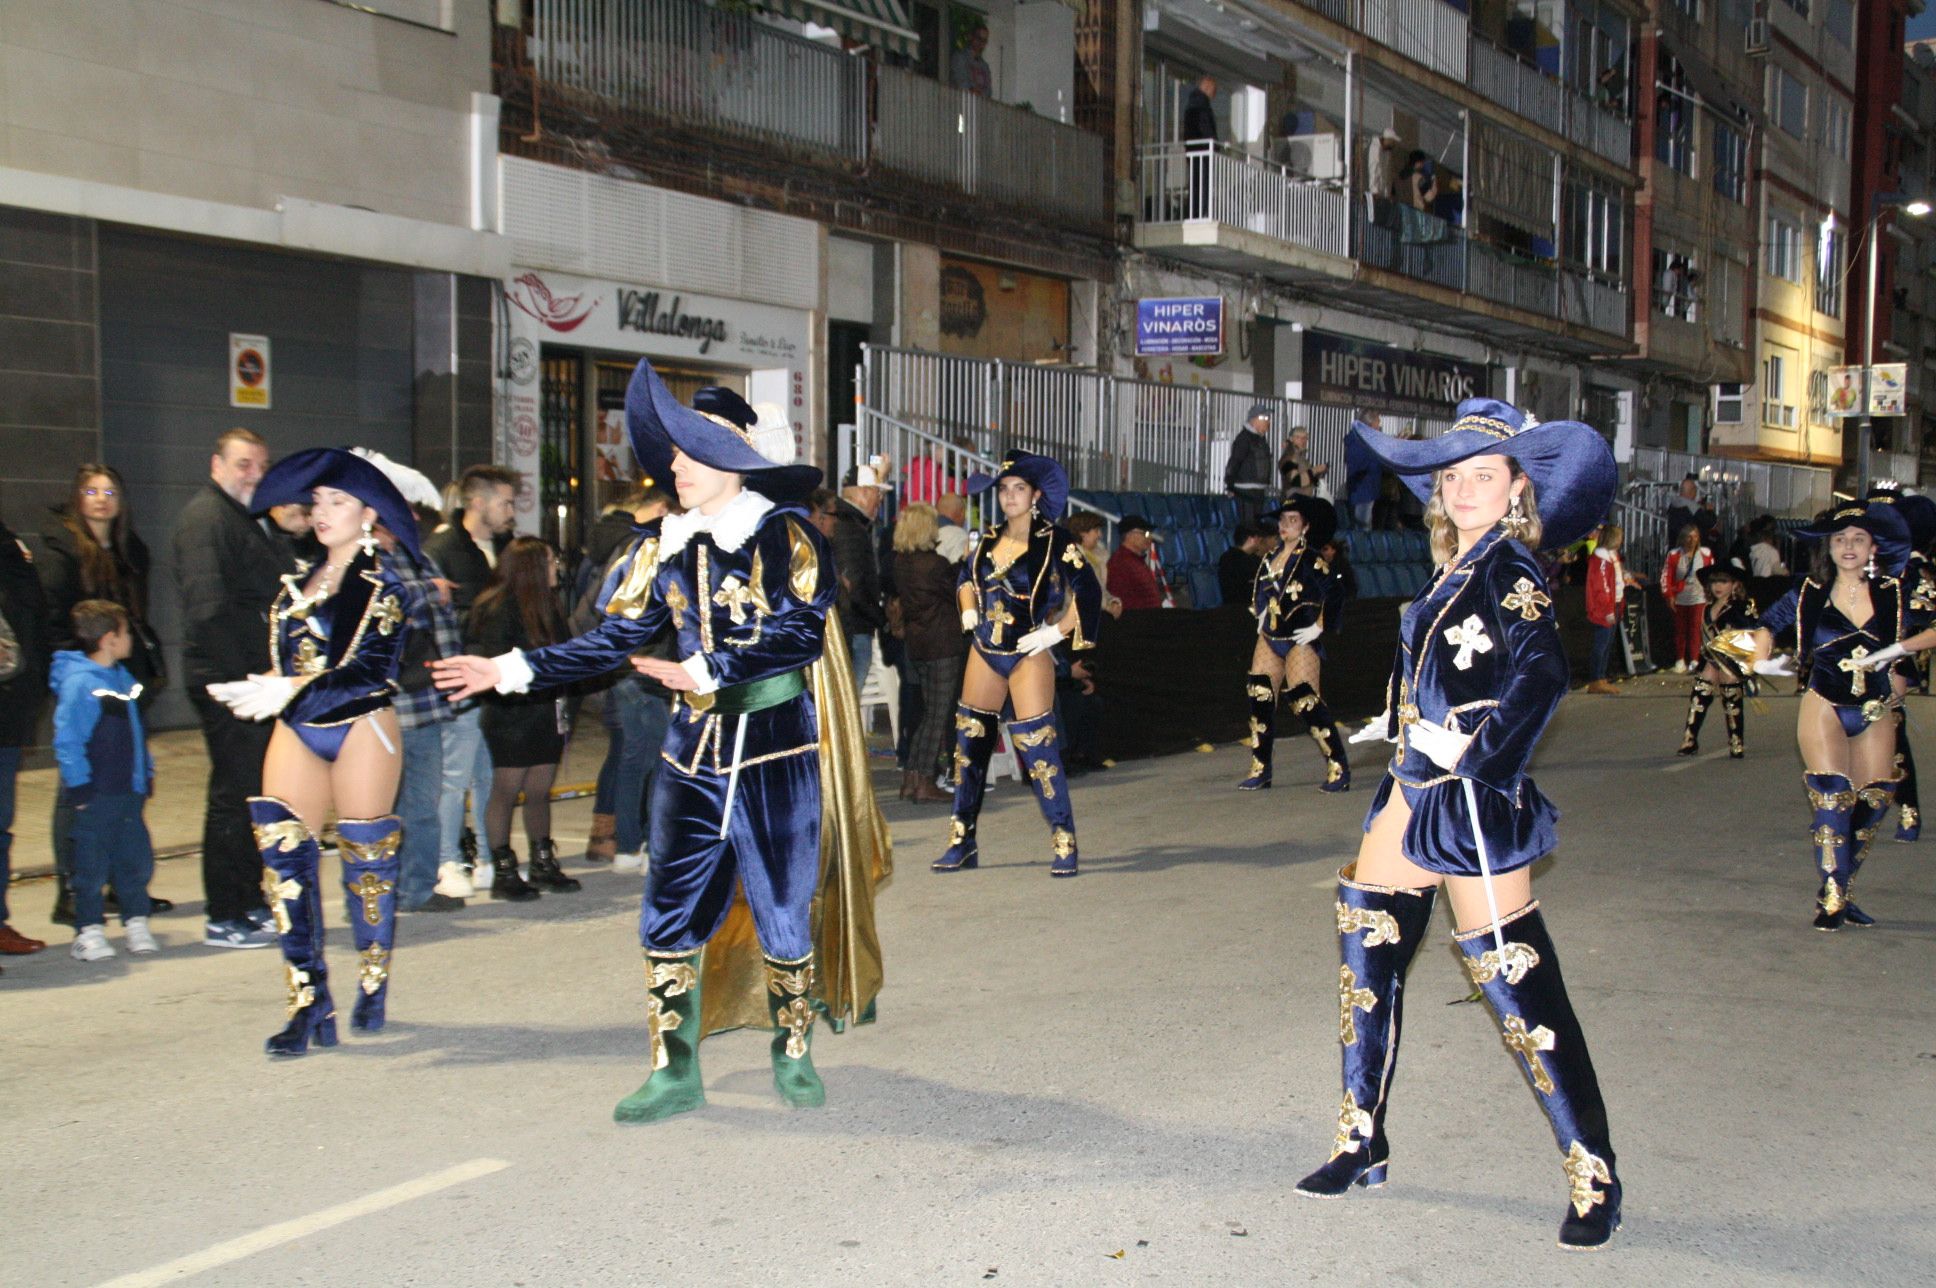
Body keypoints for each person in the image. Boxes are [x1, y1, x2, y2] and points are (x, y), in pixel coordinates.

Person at [432, 360, 887, 1123]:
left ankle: (794, 1049)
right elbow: (613, 641)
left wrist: (705, 668)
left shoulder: (785, 536)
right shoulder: (665, 547)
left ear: (724, 459)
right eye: (670, 454)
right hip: (692, 759)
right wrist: (509, 668)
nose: (669, 466)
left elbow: (799, 636)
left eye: (682, 453)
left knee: (782, 905)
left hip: (775, 757)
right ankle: (673, 1069)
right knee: (668, 910)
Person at [1293, 399, 1623, 1251]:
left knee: (1513, 978)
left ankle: (1594, 1170)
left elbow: (1545, 674)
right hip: (1413, 776)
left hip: (1471, 790)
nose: (1468, 489)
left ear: (1517, 488)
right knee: (1367, 939)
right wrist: (1402, 726)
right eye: (1454, 478)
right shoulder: (1455, 565)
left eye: (1485, 475)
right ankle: (1360, 1138)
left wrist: (1480, 757)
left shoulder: (1510, 563)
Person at [205, 448, 421, 1057]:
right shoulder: (294, 584)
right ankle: (307, 1001)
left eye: (339, 502)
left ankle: (372, 983)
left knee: (367, 865)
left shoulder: (385, 584)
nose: (323, 512)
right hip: (299, 727)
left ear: (369, 512)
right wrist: (266, 689)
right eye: (318, 501)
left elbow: (368, 672)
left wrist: (286, 689)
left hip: (360, 727)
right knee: (283, 860)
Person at [1751, 500, 1936, 930]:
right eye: (1840, 539)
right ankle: (1832, 896)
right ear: (1828, 547)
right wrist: (1761, 660)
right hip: (1825, 704)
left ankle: (1842, 887)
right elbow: (1765, 624)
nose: (1849, 546)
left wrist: (1899, 649)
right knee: (1833, 795)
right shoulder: (1807, 593)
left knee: (1872, 801)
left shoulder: (1895, 591)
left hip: (1876, 707)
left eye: (1858, 538)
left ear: (1873, 545)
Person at [935, 451, 1103, 876]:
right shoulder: (988, 538)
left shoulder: (1057, 541)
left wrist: (1055, 631)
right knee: (969, 748)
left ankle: (1064, 840)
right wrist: (968, 607)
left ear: (1035, 495)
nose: (1010, 497)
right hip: (985, 650)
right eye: (1005, 490)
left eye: (1018, 490)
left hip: (1029, 650)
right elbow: (965, 580)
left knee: (1038, 749)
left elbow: (1089, 593)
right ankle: (962, 840)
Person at [172, 428, 290, 949]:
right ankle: (224, 912)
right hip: (231, 682)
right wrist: (249, 676)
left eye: (261, 467)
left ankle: (247, 900)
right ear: (217, 464)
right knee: (234, 794)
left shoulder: (245, 520)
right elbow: (208, 610)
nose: (255, 476)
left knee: (254, 793)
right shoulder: (206, 519)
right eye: (245, 465)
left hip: (253, 681)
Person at [38, 464, 165, 927]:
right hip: (85, 678)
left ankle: (124, 885)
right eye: (90, 491)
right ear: (77, 497)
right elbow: (55, 620)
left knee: (124, 780)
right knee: (79, 783)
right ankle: (73, 888)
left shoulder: (132, 550)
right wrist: (80, 673)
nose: (100, 499)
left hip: (125, 680)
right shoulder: (62, 550)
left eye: (109, 491)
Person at [466, 536, 580, 900]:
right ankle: (503, 867)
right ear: (531, 569)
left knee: (538, 789)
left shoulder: (548, 607)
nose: (555, 569)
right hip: (511, 713)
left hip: (546, 709)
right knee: (505, 790)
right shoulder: (498, 608)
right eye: (549, 562)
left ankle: (543, 861)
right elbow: (496, 662)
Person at [423, 463, 518, 895]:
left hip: (496, 677)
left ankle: (486, 855)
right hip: (460, 676)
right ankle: (446, 860)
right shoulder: (443, 549)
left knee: (488, 775)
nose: (511, 510)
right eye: (504, 502)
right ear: (477, 502)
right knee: (455, 774)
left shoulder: (505, 547)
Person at [53, 600, 158, 962]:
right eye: (127, 632)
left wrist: (145, 771)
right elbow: (69, 739)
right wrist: (79, 787)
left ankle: (136, 921)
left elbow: (136, 734)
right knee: (91, 863)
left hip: (128, 789)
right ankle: (89, 930)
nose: (131, 639)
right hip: (97, 792)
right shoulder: (82, 683)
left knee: (133, 858)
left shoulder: (121, 679)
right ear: (110, 639)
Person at [584, 486, 676, 868]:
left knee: (631, 757)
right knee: (649, 760)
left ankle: (624, 843)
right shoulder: (643, 550)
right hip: (643, 668)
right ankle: (636, 844)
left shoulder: (620, 544)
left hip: (628, 665)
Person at [1237, 496, 1349, 792]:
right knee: (1259, 693)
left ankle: (1337, 765)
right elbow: (1260, 592)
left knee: (1304, 699)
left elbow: (1335, 592)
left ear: (1305, 526)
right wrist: (1260, 613)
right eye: (1283, 520)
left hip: (1300, 635)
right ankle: (1261, 768)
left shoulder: (1311, 558)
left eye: (1293, 520)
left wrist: (1319, 626)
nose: (1285, 526)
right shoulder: (1269, 557)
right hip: (1272, 634)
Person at [0, 515, 49, 961]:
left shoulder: (9, 545)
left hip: (6, 707)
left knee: (0, 825)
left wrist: (30, 690)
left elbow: (33, 615)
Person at [891, 503, 958, 804]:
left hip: (917, 645)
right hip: (942, 644)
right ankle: (925, 782)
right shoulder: (936, 564)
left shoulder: (900, 563)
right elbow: (955, 595)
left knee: (925, 715)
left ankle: (911, 778)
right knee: (937, 715)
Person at [1673, 562, 1757, 758]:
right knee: (1701, 688)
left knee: (1730, 689)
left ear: (1734, 585)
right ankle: (1689, 739)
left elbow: (1752, 634)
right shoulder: (1707, 608)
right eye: (1714, 582)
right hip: (1711, 658)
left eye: (1724, 581)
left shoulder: (1743, 607)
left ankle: (1736, 741)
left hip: (1733, 661)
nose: (1718, 586)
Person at [831, 465, 890, 693]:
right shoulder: (850, 529)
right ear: (864, 492)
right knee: (848, 701)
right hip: (854, 630)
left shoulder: (849, 524)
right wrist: (880, 618)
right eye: (878, 492)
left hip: (853, 626)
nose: (880, 500)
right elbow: (853, 587)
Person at [1584, 525, 1641, 695]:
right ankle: (1595, 679)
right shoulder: (1601, 559)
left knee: (1607, 643)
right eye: (1619, 537)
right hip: (1605, 607)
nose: (1621, 540)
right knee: (1601, 644)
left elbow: (1616, 578)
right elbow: (1601, 587)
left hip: (1614, 603)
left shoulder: (1612, 557)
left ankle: (1601, 677)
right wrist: (1607, 609)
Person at [1660, 524, 1712, 673]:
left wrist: (1712, 595)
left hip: (1699, 595)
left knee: (1696, 628)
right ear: (1682, 539)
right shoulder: (1674, 555)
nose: (1691, 540)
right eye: (1688, 537)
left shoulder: (1705, 554)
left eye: (1695, 536)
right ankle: (1680, 659)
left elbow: (1711, 575)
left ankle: (1695, 659)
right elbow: (1666, 575)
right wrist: (1668, 595)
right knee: (1680, 629)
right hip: (1680, 596)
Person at [1224, 405, 1275, 524]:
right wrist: (1230, 484)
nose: (1268, 421)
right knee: (1249, 527)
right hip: (1245, 490)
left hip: (1258, 490)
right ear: (1253, 420)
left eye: (1268, 418)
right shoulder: (1244, 439)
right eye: (1264, 418)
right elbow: (1235, 461)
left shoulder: (1260, 440)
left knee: (1255, 527)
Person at [1107, 516, 1167, 611]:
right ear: (1130, 535)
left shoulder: (1135, 561)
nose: (1149, 537)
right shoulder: (1121, 563)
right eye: (1145, 533)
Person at [1183, 73, 1218, 218]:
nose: (1213, 96)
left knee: (1196, 183)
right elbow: (1205, 128)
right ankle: (1199, 213)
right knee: (1202, 184)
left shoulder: (1192, 103)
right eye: (1213, 91)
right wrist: (1214, 145)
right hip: (1202, 151)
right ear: (1207, 87)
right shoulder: (1201, 104)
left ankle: (1195, 213)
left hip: (1193, 151)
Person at [1218, 522, 1269, 607]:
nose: (1260, 541)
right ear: (1251, 539)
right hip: (1240, 608)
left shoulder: (1253, 559)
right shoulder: (1230, 559)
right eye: (1258, 537)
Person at [1664, 475, 1716, 551]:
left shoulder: (1673, 505)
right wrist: (1710, 511)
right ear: (1692, 491)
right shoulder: (1693, 508)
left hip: (1674, 549)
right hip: (1692, 550)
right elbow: (1710, 523)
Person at [1277, 425, 1331, 498]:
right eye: (1298, 437)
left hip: (1302, 499)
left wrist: (1319, 474)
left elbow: (1308, 479)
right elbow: (1295, 481)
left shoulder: (1301, 457)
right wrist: (1315, 470)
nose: (1303, 440)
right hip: (1292, 501)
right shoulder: (1288, 457)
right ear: (1291, 439)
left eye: (1305, 438)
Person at [951, 22, 992, 97]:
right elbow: (962, 83)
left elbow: (988, 91)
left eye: (984, 41)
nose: (981, 43)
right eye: (979, 38)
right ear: (971, 37)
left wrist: (981, 95)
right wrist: (973, 92)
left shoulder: (985, 66)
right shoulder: (960, 57)